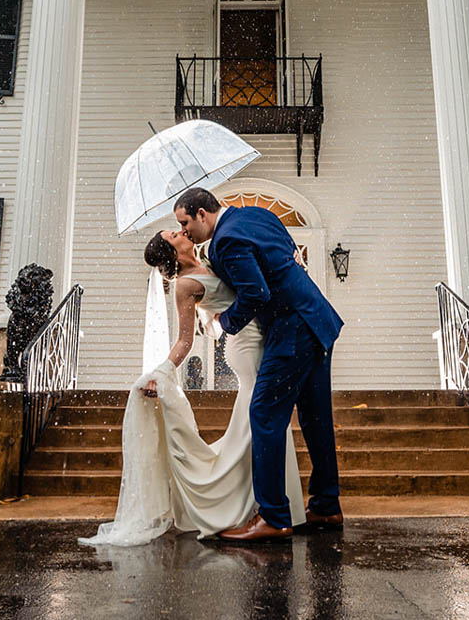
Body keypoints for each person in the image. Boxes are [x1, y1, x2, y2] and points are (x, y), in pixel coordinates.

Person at [79, 227, 305, 546]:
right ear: (171, 250)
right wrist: (163, 371)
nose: (181, 230)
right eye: (173, 233)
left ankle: (273, 509)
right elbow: (186, 339)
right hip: (246, 348)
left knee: (263, 425)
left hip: (261, 340)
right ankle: (261, 510)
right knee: (265, 423)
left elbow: (222, 312)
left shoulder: (212, 262)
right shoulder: (184, 285)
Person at [175, 187, 343, 542]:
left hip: (291, 327)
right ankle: (327, 506)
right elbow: (287, 252)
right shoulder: (257, 215)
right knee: (315, 418)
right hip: (316, 319)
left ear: (203, 214)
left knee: (264, 414)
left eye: (186, 222)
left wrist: (222, 322)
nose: (186, 231)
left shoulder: (226, 241)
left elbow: (256, 294)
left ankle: (274, 517)